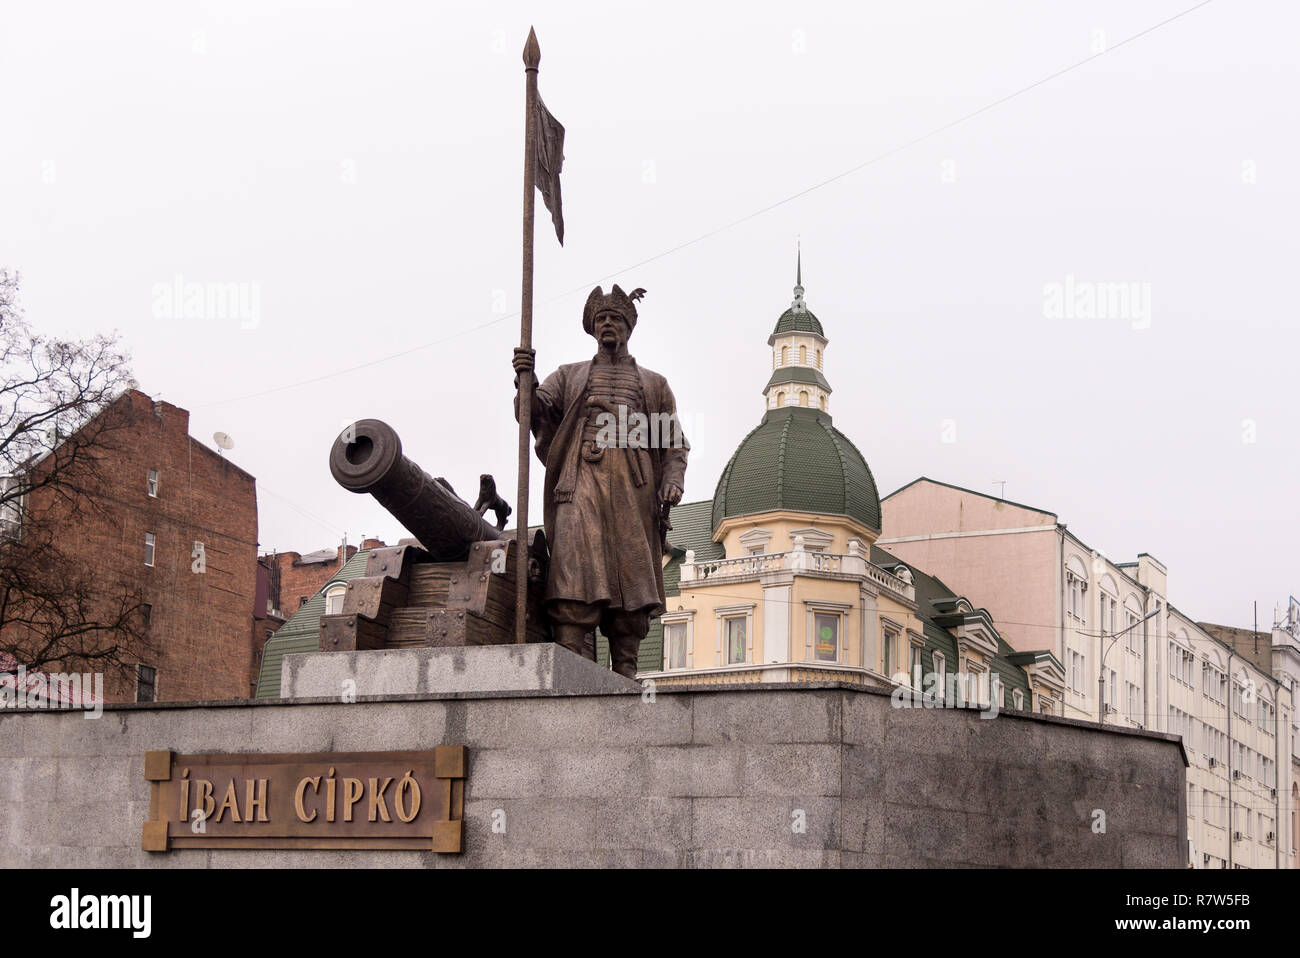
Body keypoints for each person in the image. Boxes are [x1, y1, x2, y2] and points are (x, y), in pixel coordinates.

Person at [513, 285, 688, 679]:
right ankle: (568, 675)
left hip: (633, 487)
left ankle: (626, 674)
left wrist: (672, 480)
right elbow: (534, 412)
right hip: (581, 481)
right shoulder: (569, 375)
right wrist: (526, 377)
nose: (608, 324)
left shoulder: (654, 384)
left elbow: (673, 443)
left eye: (616, 318)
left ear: (629, 326)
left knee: (630, 582)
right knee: (574, 571)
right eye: (601, 319)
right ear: (592, 328)